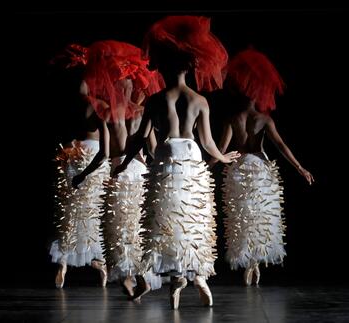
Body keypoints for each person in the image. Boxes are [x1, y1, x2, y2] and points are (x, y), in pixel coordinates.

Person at [113, 16, 240, 309]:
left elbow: (140, 138)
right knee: (192, 217)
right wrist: (221, 156)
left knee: (167, 217)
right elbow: (207, 141)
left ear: (167, 67)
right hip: (191, 156)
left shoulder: (155, 101)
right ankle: (198, 278)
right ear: (191, 67)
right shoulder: (199, 101)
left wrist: (123, 164)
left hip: (166, 156)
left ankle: (176, 282)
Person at [211, 48, 314, 286]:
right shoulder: (264, 119)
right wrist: (300, 168)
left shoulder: (232, 118)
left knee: (242, 216)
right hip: (259, 168)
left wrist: (206, 167)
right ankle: (255, 261)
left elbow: (220, 149)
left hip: (238, 168)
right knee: (260, 215)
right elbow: (281, 146)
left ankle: (249, 261)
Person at [71, 40, 163, 298]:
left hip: (118, 173)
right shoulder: (143, 113)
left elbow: (102, 154)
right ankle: (141, 274)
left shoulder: (107, 114)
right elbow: (153, 150)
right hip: (138, 171)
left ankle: (128, 275)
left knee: (118, 228)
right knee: (136, 226)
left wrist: (83, 174)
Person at [48, 43, 109, 289]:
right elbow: (107, 147)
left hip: (74, 152)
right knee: (90, 211)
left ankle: (66, 261)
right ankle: (98, 261)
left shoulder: (74, 103)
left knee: (73, 211)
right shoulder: (100, 107)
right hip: (89, 154)